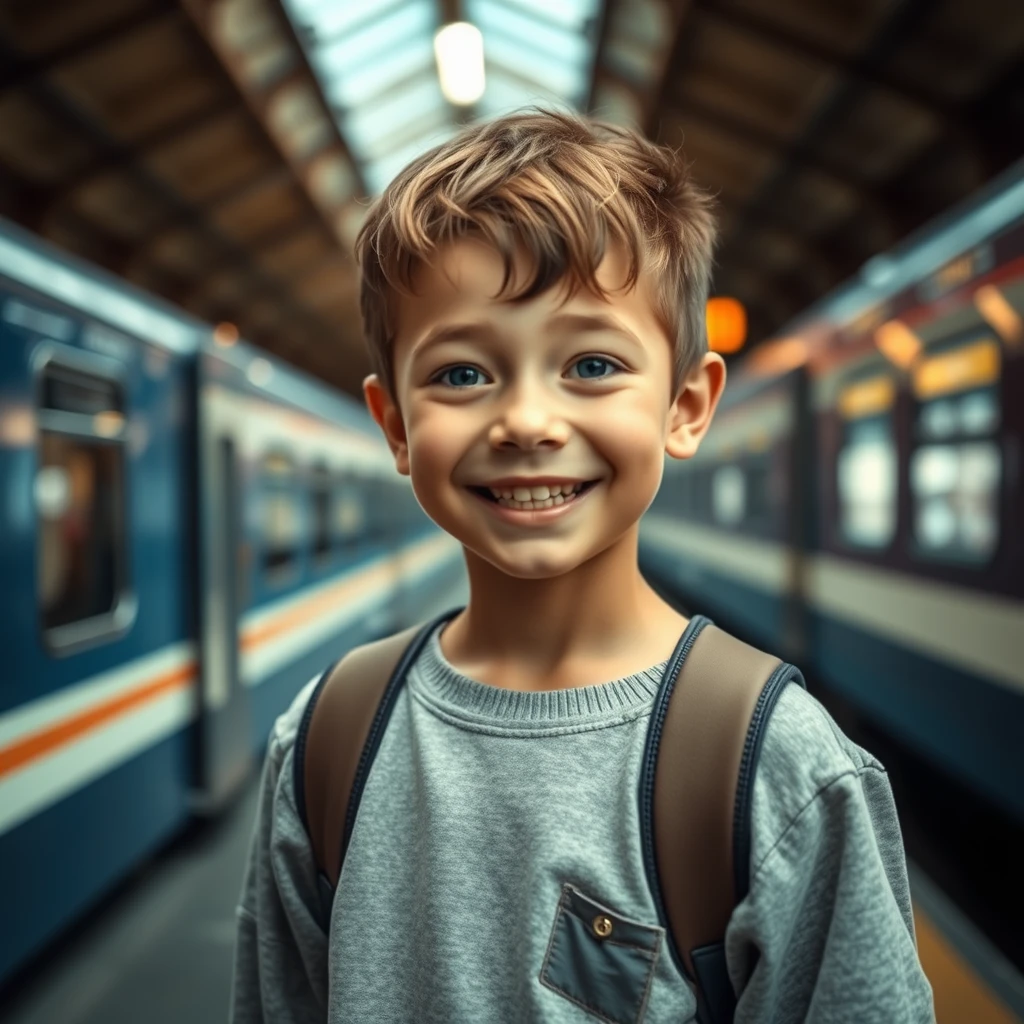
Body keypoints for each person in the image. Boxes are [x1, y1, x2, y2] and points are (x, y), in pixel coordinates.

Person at [230, 110, 935, 1023]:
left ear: (686, 406)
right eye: (460, 375)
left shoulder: (780, 772)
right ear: (395, 426)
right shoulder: (324, 742)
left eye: (592, 363)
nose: (526, 420)